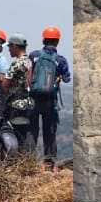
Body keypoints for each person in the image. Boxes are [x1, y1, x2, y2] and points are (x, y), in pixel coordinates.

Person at [29, 26, 71, 169]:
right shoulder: (61, 60)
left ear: (43, 40)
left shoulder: (34, 55)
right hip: (50, 100)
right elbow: (67, 79)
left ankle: (28, 162)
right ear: (57, 42)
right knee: (50, 132)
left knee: (32, 132)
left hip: (33, 99)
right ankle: (49, 162)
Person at [1, 33, 34, 152]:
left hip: (15, 105)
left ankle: (16, 158)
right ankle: (25, 157)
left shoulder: (16, 63)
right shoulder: (29, 61)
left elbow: (5, 85)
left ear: (15, 46)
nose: (9, 49)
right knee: (24, 135)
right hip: (27, 104)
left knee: (14, 135)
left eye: (9, 46)